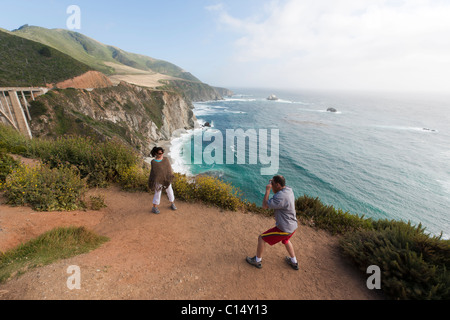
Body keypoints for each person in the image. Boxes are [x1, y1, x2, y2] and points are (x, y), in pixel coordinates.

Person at [246, 175, 299, 270]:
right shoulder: (288, 190)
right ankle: (294, 262)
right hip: (293, 226)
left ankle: (257, 261)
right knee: (286, 240)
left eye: (273, 183)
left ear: (278, 185)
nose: (271, 184)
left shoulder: (280, 197)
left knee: (262, 238)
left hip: (284, 229)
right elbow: (279, 190)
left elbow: (265, 206)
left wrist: (267, 191)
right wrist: (274, 182)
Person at [148, 147, 177, 214]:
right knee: (157, 193)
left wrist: (169, 177)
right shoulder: (153, 162)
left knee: (170, 191)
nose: (161, 154)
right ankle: (154, 207)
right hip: (158, 180)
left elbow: (169, 170)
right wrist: (155, 180)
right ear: (155, 153)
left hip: (166, 179)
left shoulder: (166, 159)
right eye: (159, 153)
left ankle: (172, 203)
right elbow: (154, 172)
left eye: (162, 152)